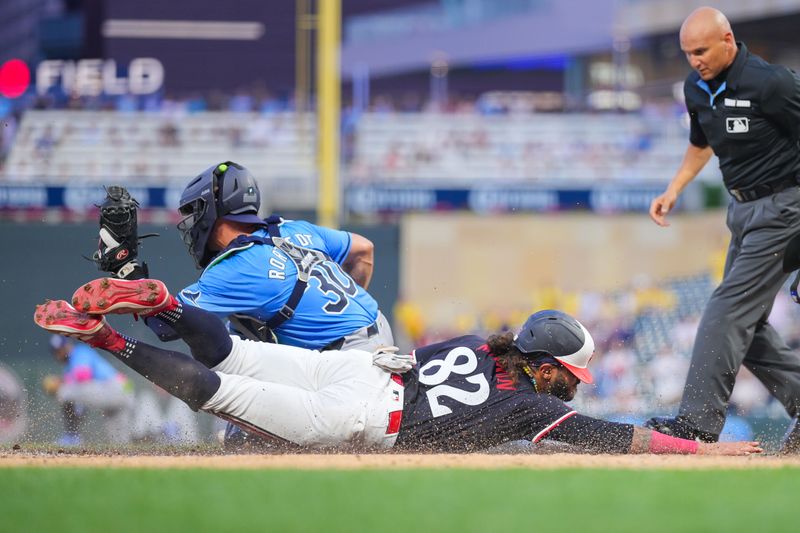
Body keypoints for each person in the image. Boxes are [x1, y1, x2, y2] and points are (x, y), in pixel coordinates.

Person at [34, 277, 762, 456]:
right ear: (547, 369)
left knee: (231, 350)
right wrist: (705, 448)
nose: (569, 385)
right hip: (360, 415)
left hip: (362, 372)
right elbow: (620, 438)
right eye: (568, 374)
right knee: (219, 390)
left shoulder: (482, 342)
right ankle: (111, 344)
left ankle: (159, 297)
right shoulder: (530, 407)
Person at [90, 161, 394, 446]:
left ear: (212, 211)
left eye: (195, 212)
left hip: (345, 369)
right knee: (246, 331)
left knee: (242, 435)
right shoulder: (295, 229)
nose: (192, 223)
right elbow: (364, 250)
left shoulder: (235, 266)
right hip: (381, 339)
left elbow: (167, 325)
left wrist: (125, 271)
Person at [646, 6, 800, 446]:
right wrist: (674, 188)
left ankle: (697, 424)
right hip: (743, 211)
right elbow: (701, 143)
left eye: (701, 50)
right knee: (745, 327)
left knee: (724, 312)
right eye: (687, 53)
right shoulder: (696, 87)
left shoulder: (773, 82)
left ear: (728, 40)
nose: (694, 60)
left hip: (786, 207)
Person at [43, 334, 134, 446]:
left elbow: (83, 375)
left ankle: (72, 436)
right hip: (123, 390)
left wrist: (60, 383)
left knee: (64, 392)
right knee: (119, 442)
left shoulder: (79, 352)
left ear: (68, 346)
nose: (59, 354)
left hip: (113, 389)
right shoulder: (69, 366)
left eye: (61, 350)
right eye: (56, 352)